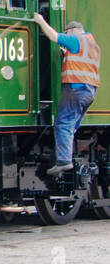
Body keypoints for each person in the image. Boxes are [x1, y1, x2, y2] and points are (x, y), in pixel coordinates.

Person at [33, 12, 100, 175]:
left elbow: (54, 36)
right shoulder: (92, 44)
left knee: (63, 124)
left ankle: (64, 161)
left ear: (71, 32)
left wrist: (40, 21)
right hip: (90, 91)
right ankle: (65, 155)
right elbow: (82, 63)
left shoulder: (76, 39)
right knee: (71, 127)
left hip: (75, 89)